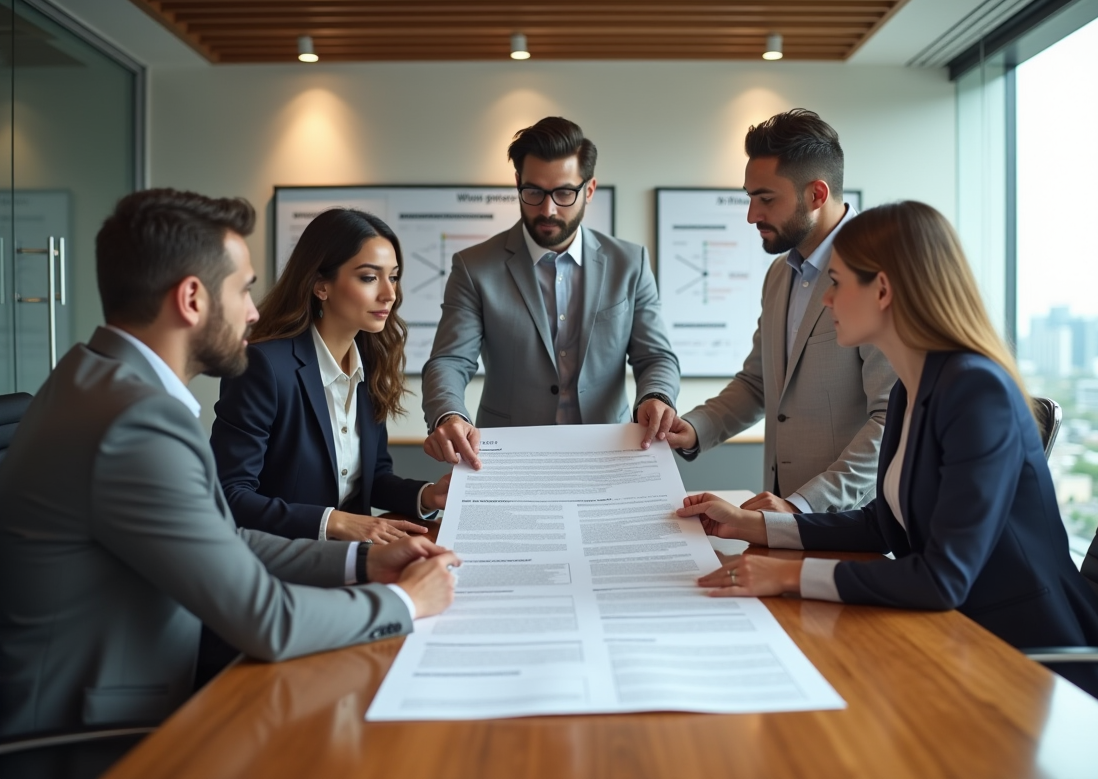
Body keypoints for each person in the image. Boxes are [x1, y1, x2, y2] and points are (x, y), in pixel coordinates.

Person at [676, 201, 1098, 731]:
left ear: (882, 290)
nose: (827, 298)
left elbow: (942, 578)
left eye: (836, 283)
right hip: (954, 638)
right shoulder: (914, 386)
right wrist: (757, 525)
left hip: (1028, 666)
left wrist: (787, 575)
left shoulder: (978, 392)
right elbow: (885, 524)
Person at [0, 189, 461, 738]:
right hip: (95, 736)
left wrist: (362, 563)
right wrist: (405, 600)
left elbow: (223, 537)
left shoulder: (91, 377)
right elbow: (268, 620)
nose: (255, 311)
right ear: (192, 299)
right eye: (242, 289)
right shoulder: (135, 421)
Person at [665, 109, 895, 515]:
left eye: (766, 199)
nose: (752, 215)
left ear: (817, 195)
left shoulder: (880, 272)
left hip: (855, 525)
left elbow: (891, 422)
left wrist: (803, 505)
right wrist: (695, 428)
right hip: (782, 517)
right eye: (750, 198)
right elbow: (759, 383)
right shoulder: (778, 274)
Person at [422, 116, 681, 469]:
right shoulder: (474, 267)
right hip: (508, 457)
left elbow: (656, 356)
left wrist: (655, 396)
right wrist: (449, 414)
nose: (547, 210)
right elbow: (450, 360)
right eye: (533, 192)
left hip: (610, 454)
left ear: (589, 190)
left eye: (564, 193)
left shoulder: (629, 263)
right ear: (518, 183)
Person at [211, 208, 449, 543]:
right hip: (281, 557)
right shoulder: (263, 366)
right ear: (321, 286)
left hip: (352, 555)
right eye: (369, 277)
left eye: (393, 277)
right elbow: (230, 494)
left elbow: (373, 477)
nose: (389, 294)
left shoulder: (372, 364)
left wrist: (427, 496)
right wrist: (334, 522)